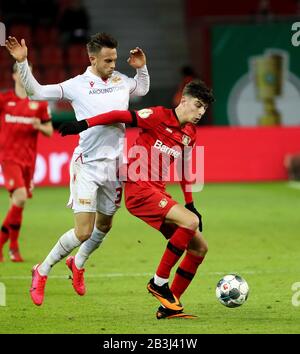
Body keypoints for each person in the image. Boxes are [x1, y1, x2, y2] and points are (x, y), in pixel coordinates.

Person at [5, 33, 149, 306]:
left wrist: (141, 68)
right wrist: (23, 63)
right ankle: (42, 269)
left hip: (115, 167)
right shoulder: (77, 85)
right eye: (107, 60)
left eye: (115, 59)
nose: (112, 64)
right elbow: (37, 92)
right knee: (83, 230)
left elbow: (141, 90)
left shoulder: (120, 80)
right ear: (92, 58)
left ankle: (77, 262)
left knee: (104, 225)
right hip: (88, 165)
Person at [59, 79, 215, 319]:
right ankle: (158, 283)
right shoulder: (157, 116)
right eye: (197, 105)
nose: (200, 112)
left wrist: (190, 203)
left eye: (204, 108)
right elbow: (118, 114)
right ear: (183, 101)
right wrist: (83, 124)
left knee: (199, 247)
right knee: (190, 222)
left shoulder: (190, 134)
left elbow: (184, 168)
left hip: (157, 192)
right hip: (139, 190)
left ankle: (168, 307)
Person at [0, 62, 53, 262]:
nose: (24, 75)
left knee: (17, 204)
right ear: (14, 76)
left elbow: (49, 131)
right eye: (21, 72)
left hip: (28, 161)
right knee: (20, 197)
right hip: (9, 159)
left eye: (28, 71)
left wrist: (39, 125)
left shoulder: (39, 103)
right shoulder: (5, 100)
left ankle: (13, 247)